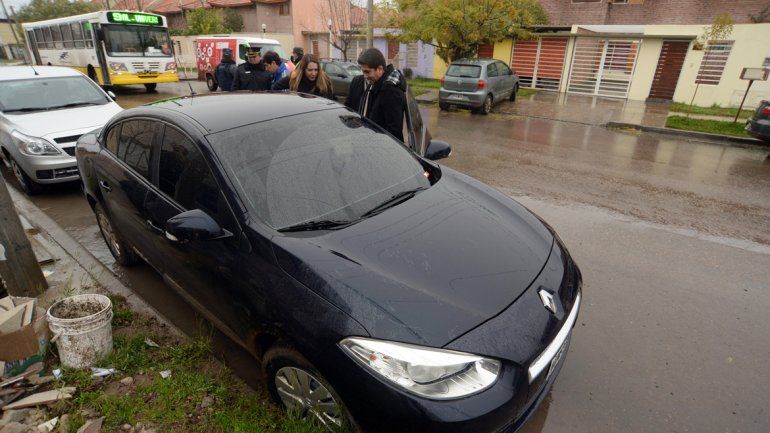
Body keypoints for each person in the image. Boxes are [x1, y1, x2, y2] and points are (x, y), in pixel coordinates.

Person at [345, 48, 406, 141]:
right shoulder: (377, 83)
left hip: (381, 149)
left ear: (380, 69)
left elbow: (394, 132)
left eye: (367, 72)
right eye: (363, 71)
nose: (365, 76)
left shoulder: (391, 91)